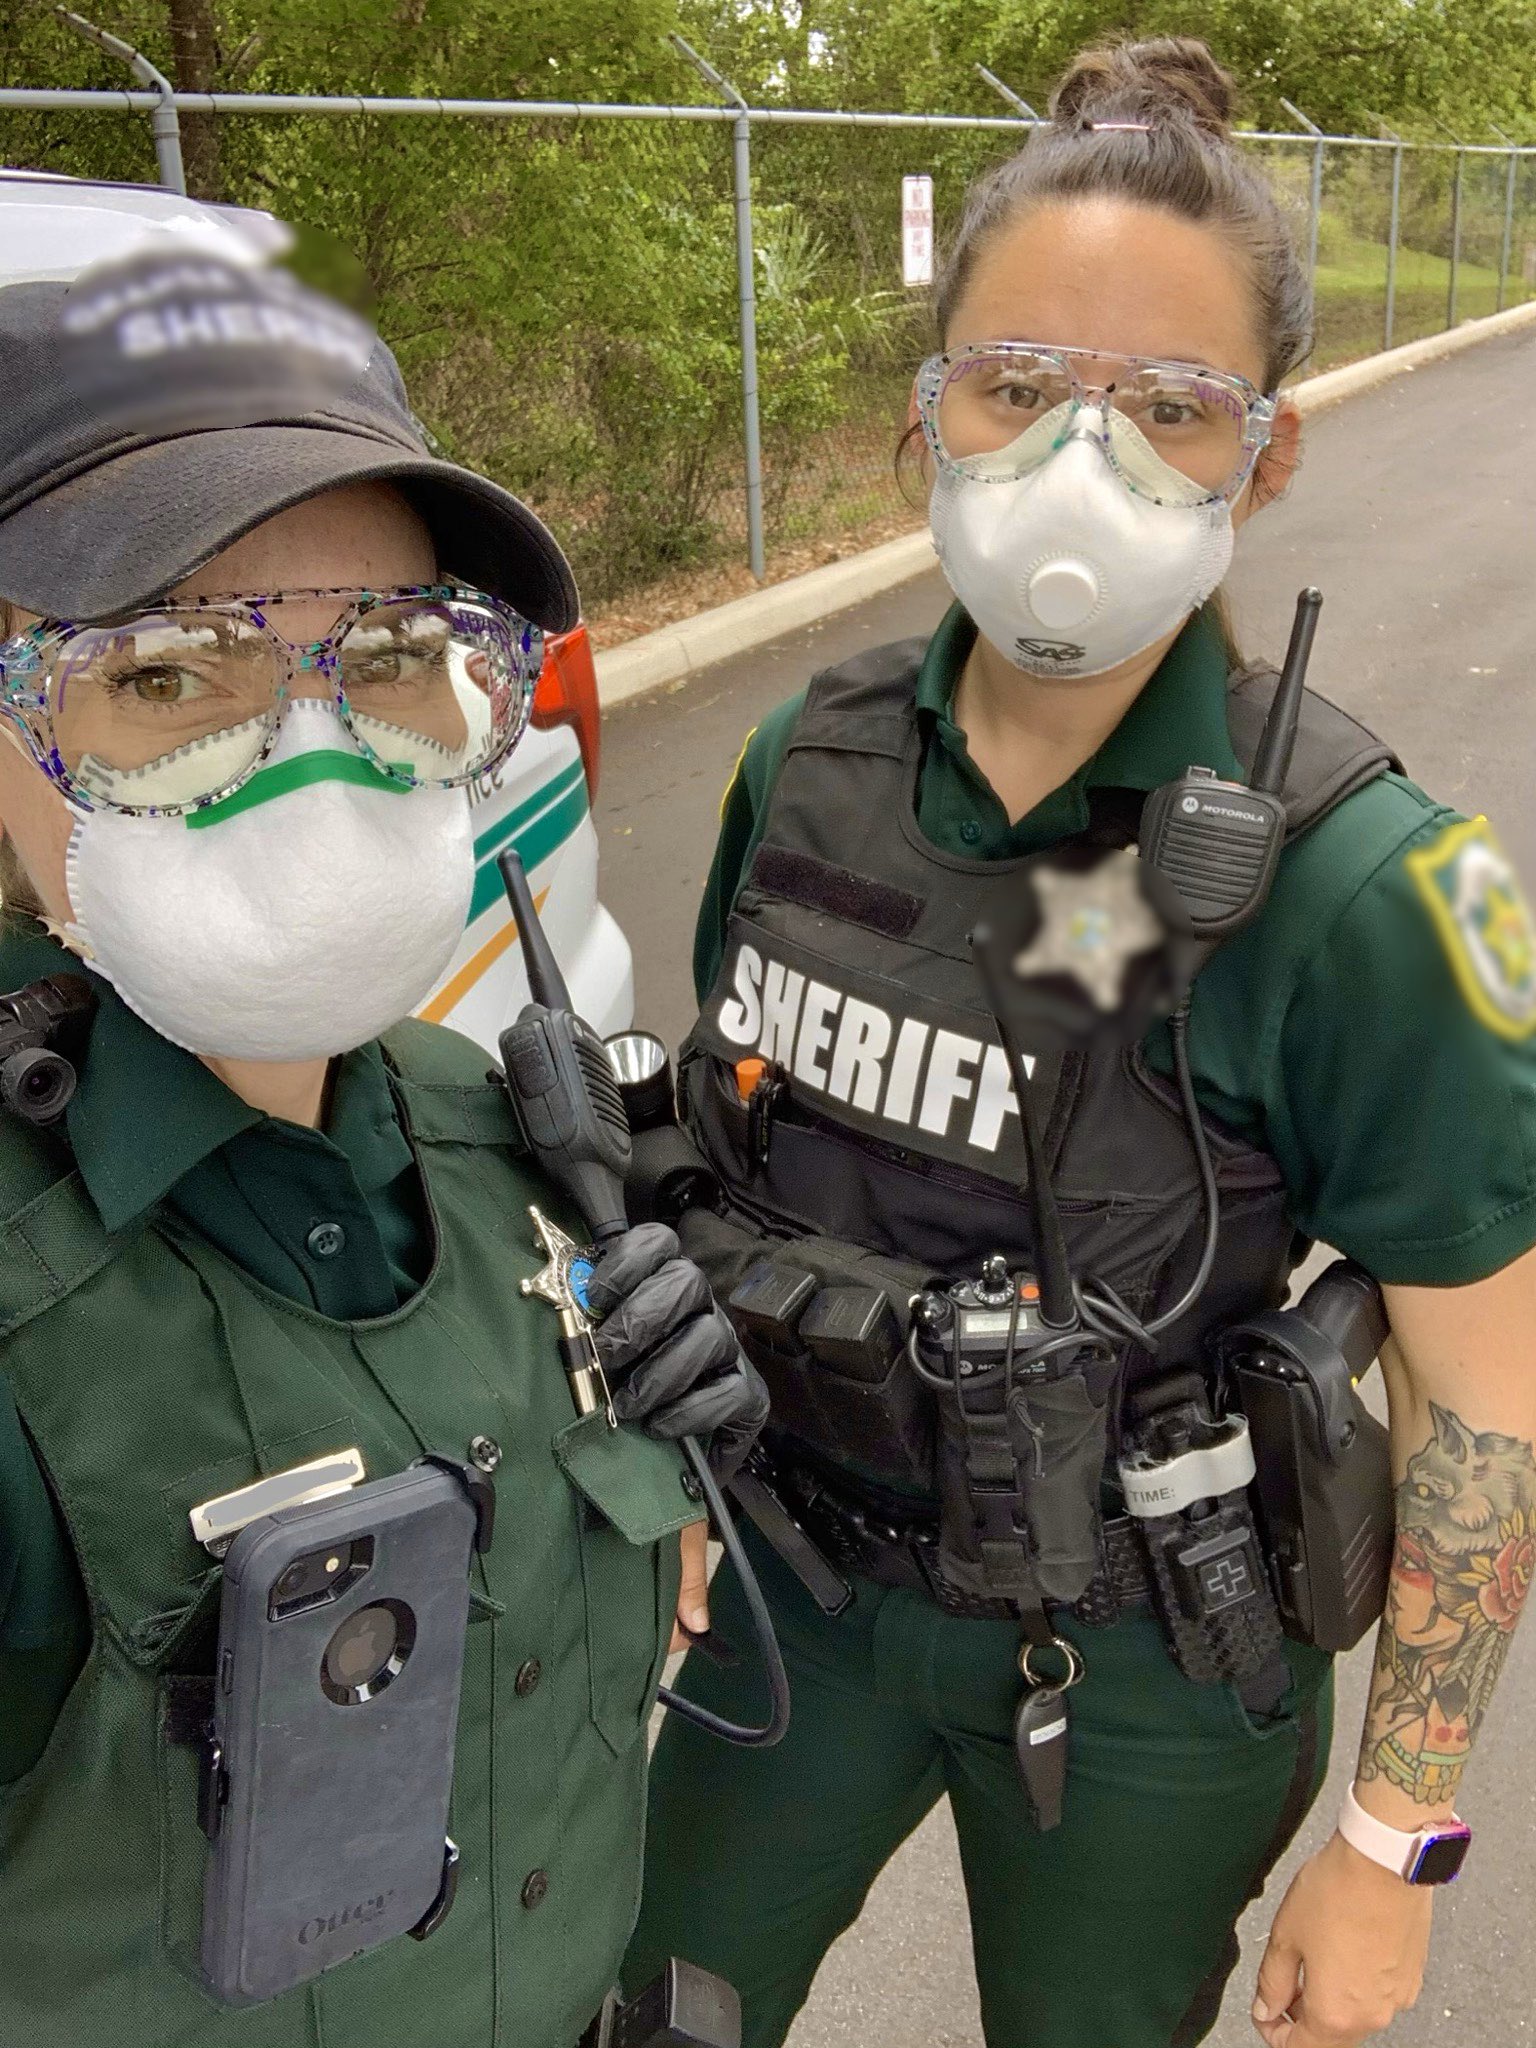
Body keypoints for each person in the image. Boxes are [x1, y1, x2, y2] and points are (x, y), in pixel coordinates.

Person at [625, 36, 1536, 2048]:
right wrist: (667, 1471)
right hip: (791, 1588)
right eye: (1017, 386)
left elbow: (1490, 1398)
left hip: (1142, 1664)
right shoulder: (800, 765)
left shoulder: (1371, 885)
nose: (1077, 458)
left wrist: (1395, 1846)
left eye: (1170, 408)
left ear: (1266, 456)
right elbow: (708, 1156)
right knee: (653, 2007)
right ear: (928, 409)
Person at [0, 241, 764, 2048]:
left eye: (400, 655)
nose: (319, 757)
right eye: (168, 676)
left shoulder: (486, 1128)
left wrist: (660, 1492)